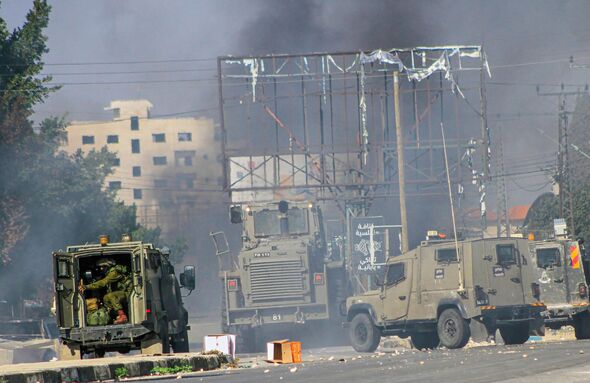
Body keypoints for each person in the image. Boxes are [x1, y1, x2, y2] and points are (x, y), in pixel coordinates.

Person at [79, 258, 132, 324]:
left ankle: (122, 316)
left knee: (111, 295)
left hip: (129, 294)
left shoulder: (114, 272)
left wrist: (86, 286)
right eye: (100, 267)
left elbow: (103, 283)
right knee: (106, 298)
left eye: (102, 267)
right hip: (121, 294)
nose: (101, 269)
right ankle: (115, 316)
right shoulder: (108, 273)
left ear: (107, 266)